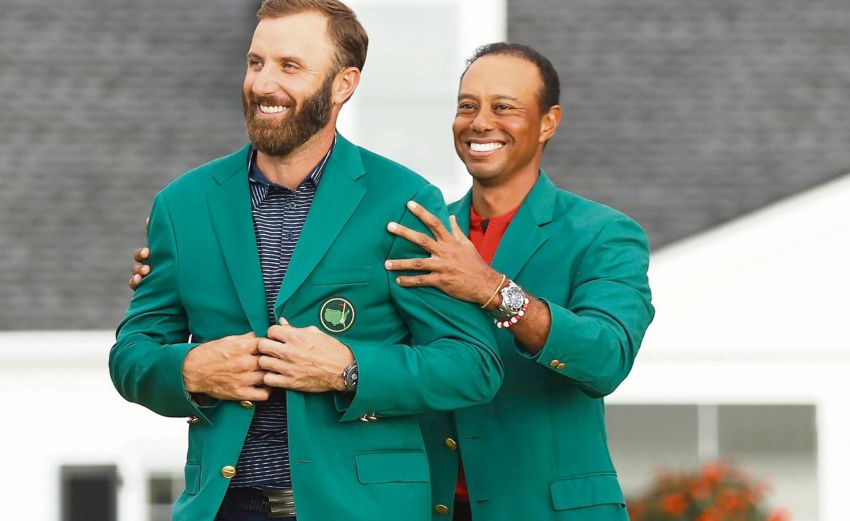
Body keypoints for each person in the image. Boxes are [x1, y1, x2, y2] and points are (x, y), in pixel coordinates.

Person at [130, 41, 654, 521]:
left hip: (546, 510)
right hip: (424, 503)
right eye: (466, 106)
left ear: (548, 122)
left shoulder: (602, 234)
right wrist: (198, 269)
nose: (480, 122)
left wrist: (494, 290)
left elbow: (605, 358)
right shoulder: (410, 225)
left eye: (504, 107)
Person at [109, 1, 503, 520]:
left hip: (364, 509)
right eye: (256, 63)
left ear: (344, 84)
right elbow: (132, 354)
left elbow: (473, 366)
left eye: (289, 66)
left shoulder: (404, 202)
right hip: (224, 508)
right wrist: (189, 369)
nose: (263, 84)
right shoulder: (182, 205)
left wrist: (350, 369)